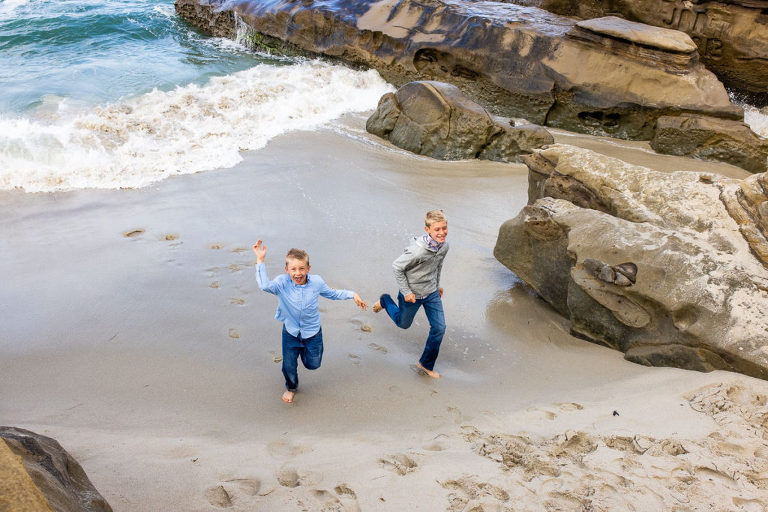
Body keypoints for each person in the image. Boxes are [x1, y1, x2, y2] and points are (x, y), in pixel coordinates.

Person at [253, 240, 368, 403]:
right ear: (287, 270)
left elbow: (333, 294)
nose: (297, 273)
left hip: (313, 333)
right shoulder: (281, 283)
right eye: (293, 269)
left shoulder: (317, 282)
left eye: (301, 268)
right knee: (289, 365)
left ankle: (302, 354)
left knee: (313, 364)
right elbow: (264, 285)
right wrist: (260, 260)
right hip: (290, 332)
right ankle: (291, 387)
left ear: (308, 268)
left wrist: (352, 294)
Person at [373, 209, 449, 378]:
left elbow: (438, 266)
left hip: (431, 293)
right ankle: (385, 300)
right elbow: (397, 267)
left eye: (444, 228)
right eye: (437, 229)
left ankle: (425, 364)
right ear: (427, 230)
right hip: (412, 294)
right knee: (403, 324)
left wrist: (437, 286)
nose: (442, 232)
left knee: (439, 327)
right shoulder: (418, 251)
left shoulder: (444, 246)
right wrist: (406, 292)